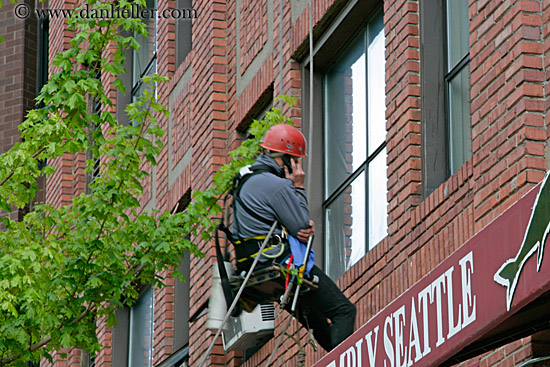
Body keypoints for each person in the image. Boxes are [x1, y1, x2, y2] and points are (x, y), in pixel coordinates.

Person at [232, 124, 356, 352]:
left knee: (320, 323)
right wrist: (298, 187)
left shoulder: (245, 181)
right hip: (280, 266)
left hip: (254, 268)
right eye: (296, 161)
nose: (298, 167)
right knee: (344, 311)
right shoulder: (276, 185)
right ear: (288, 159)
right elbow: (301, 225)